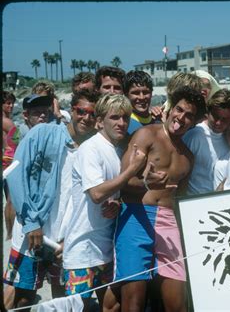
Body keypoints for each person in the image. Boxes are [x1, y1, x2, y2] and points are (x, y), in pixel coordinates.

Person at [103, 86, 206, 312]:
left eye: (189, 115)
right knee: (133, 301)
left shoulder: (187, 156)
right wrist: (148, 183)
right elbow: (124, 180)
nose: (181, 117)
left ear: (195, 122)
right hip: (136, 215)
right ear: (170, 108)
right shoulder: (146, 134)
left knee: (178, 302)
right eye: (179, 109)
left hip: (168, 221)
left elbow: (182, 200)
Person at [3, 90, 100, 311]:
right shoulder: (43, 133)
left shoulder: (94, 149)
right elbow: (16, 175)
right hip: (33, 233)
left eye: (92, 113)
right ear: (71, 110)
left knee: (64, 300)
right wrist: (31, 223)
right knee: (24, 297)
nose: (86, 117)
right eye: (81, 111)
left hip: (66, 239)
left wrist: (72, 238)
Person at [62, 93, 146, 311]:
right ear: (100, 121)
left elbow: (111, 193)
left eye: (125, 118)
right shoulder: (90, 148)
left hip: (107, 249)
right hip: (82, 250)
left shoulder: (118, 150)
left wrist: (117, 204)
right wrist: (132, 171)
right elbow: (97, 194)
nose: (121, 123)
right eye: (114, 117)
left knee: (112, 306)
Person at [183, 88, 230, 195]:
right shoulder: (195, 135)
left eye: (225, 119)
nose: (219, 123)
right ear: (208, 112)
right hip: (194, 201)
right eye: (215, 116)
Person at [3, 91, 20, 240]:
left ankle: (8, 232)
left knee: (8, 198)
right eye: (7, 103)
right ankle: (11, 232)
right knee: (11, 199)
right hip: (9, 161)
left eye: (12, 103)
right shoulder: (7, 122)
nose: (11, 106)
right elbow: (16, 141)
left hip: (5, 162)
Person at [124, 70, 158, 135]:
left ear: (151, 93)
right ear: (126, 95)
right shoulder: (123, 124)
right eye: (136, 93)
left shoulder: (158, 121)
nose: (141, 97)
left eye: (145, 92)